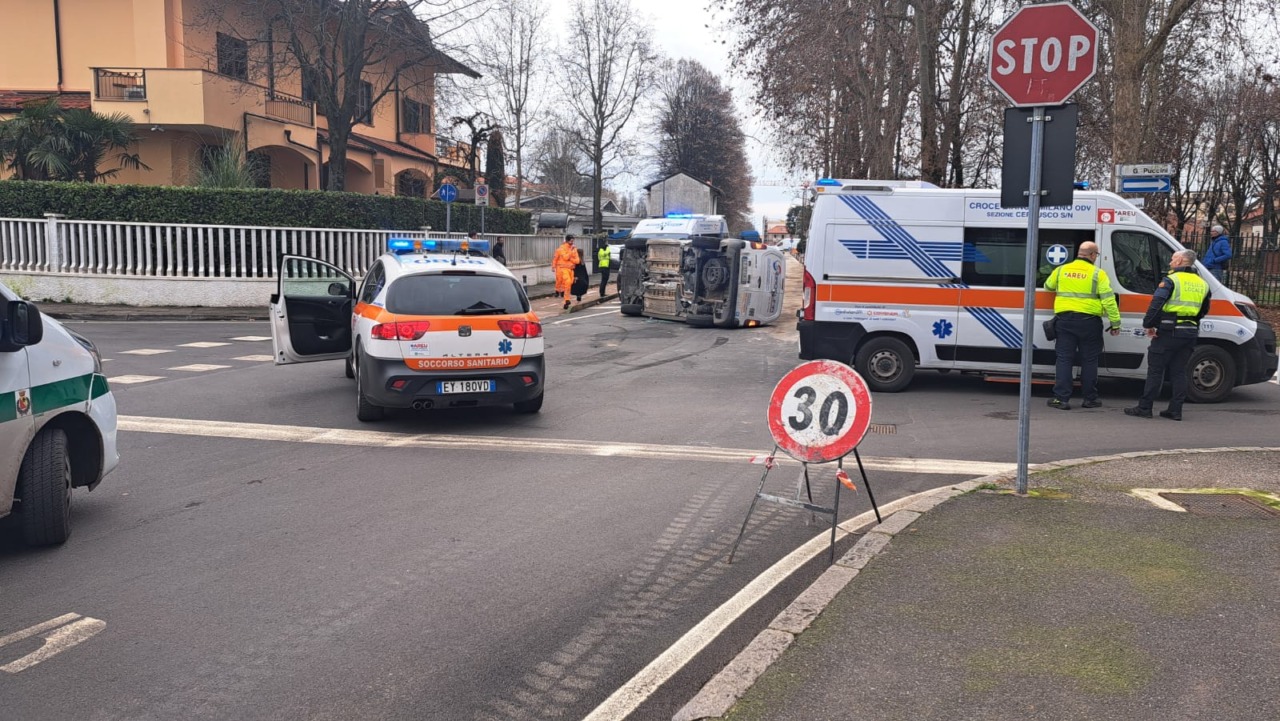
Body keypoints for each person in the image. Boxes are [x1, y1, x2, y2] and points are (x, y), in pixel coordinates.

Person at [1125, 250, 1211, 421]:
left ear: (1179, 261)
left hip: (1169, 331)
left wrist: (1149, 324)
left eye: (1172, 259)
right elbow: (1204, 309)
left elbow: (1157, 304)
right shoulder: (1203, 284)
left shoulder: (1171, 280)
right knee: (1179, 371)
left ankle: (1145, 407)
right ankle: (1175, 410)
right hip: (1190, 331)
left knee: (1156, 370)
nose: (1170, 262)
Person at [1044, 241, 1122, 410]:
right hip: (1089, 323)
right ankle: (1090, 399)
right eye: (1097, 255)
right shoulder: (1098, 274)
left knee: (1064, 359)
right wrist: (1115, 323)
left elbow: (1048, 287)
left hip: (1065, 321)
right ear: (1092, 255)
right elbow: (1109, 300)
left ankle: (1061, 399)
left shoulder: (1061, 270)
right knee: (1089, 360)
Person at [553, 235, 580, 309]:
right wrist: (553, 266)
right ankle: (565, 299)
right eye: (571, 241)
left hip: (571, 269)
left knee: (569, 283)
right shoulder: (562, 248)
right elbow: (565, 257)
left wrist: (570, 259)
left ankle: (564, 297)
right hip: (563, 268)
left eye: (573, 241)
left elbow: (577, 261)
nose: (572, 242)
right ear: (567, 241)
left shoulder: (574, 249)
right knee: (565, 282)